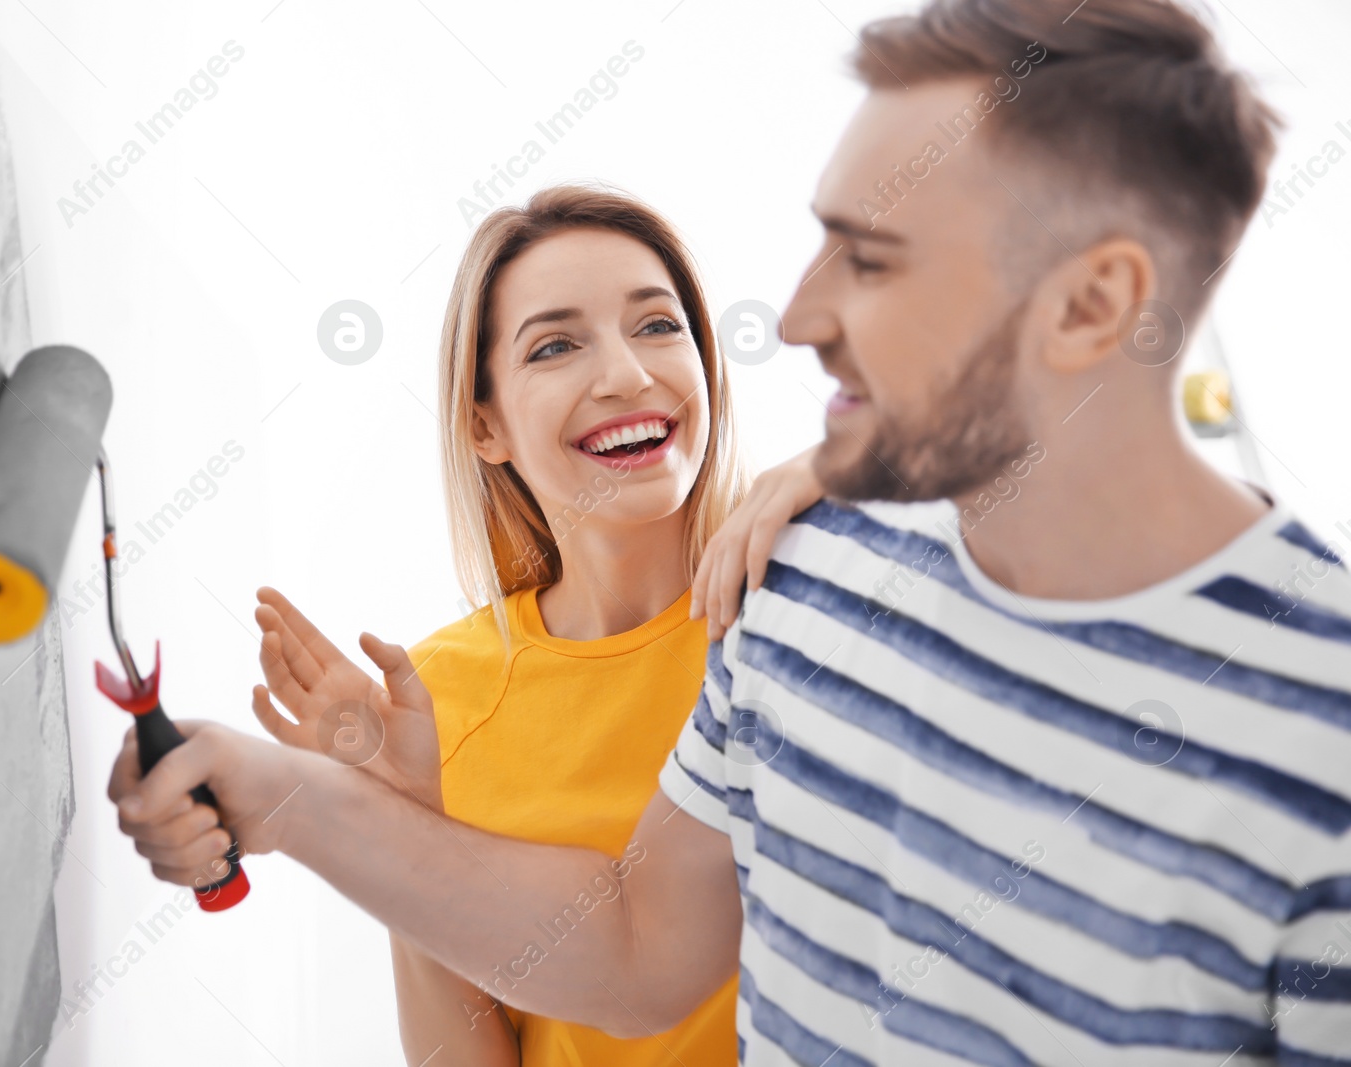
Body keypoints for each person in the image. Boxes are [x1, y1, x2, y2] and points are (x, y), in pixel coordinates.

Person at [109, 0, 1351, 1062]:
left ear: (1091, 303)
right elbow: (642, 947)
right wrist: (297, 802)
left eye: (871, 260)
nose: (794, 317)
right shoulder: (810, 583)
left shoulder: (1319, 749)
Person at [251, 184, 825, 1065]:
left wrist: (852, 462)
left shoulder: (808, 599)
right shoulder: (436, 696)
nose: (628, 375)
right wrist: (405, 829)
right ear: (485, 425)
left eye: (658, 326)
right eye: (555, 345)